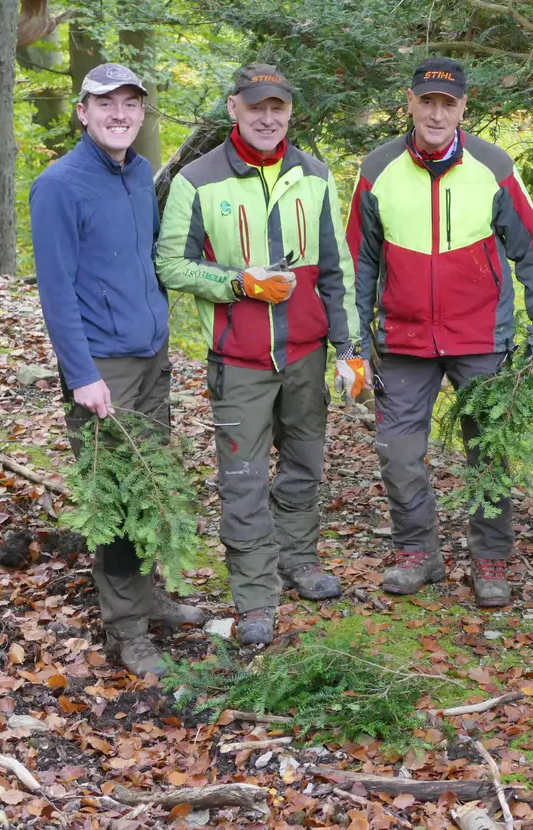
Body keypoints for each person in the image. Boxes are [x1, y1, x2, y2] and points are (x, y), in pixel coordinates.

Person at [155, 64, 364, 645]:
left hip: (306, 356)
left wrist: (349, 346)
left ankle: (298, 561)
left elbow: (333, 269)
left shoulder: (316, 176)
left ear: (289, 111)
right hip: (238, 360)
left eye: (278, 107)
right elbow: (169, 263)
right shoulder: (196, 181)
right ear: (234, 109)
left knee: (303, 464)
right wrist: (239, 283)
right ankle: (253, 597)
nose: (268, 117)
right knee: (243, 479)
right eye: (256, 107)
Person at [348, 56, 533, 609]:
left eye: (448, 103)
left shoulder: (493, 166)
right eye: (428, 101)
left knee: (487, 452)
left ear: (464, 107)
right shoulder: (377, 169)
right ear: (411, 102)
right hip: (402, 341)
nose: (437, 112)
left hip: (481, 339)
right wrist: (351, 341)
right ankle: (417, 552)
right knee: (398, 452)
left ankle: (490, 557)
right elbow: (357, 262)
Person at [29, 62, 207, 677]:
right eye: (106, 104)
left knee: (149, 485)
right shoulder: (60, 184)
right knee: (115, 494)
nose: (119, 114)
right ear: (83, 111)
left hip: (150, 356)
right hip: (103, 364)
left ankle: (146, 595)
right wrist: (81, 373)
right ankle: (127, 630)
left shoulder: (136, 177)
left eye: (131, 104)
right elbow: (56, 290)